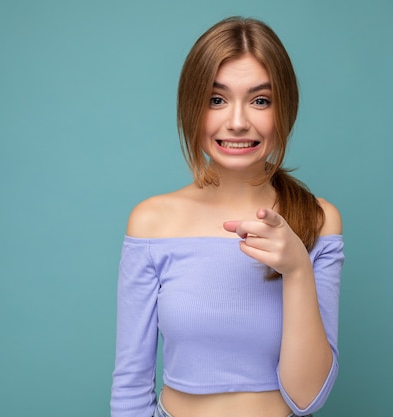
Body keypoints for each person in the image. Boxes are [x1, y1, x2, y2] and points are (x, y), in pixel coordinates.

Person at [110, 16, 344, 417]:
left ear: (284, 108)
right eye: (216, 99)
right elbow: (131, 381)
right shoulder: (151, 222)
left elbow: (307, 398)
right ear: (192, 107)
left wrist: (298, 269)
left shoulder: (319, 220)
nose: (237, 122)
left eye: (260, 100)